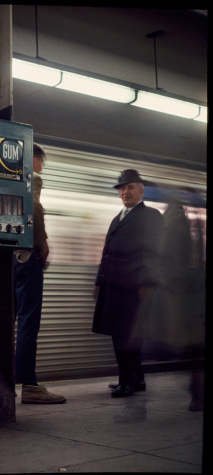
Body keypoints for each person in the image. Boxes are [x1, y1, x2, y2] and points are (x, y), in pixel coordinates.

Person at [92, 169, 164, 397]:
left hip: (134, 287)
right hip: (113, 287)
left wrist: (149, 280)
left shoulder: (151, 216)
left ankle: (127, 382)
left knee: (127, 336)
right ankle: (137, 378)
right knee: (123, 334)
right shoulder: (118, 217)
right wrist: (99, 280)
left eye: (130, 187)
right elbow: (106, 253)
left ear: (141, 190)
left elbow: (156, 251)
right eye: (122, 188)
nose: (125, 191)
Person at [13, 143, 66, 404]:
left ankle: (4, 380)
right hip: (27, 259)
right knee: (28, 322)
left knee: (8, 322)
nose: (41, 168)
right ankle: (30, 386)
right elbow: (33, 210)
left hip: (9, 260)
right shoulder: (30, 178)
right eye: (41, 162)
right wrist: (42, 243)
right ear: (33, 160)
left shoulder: (3, 179)